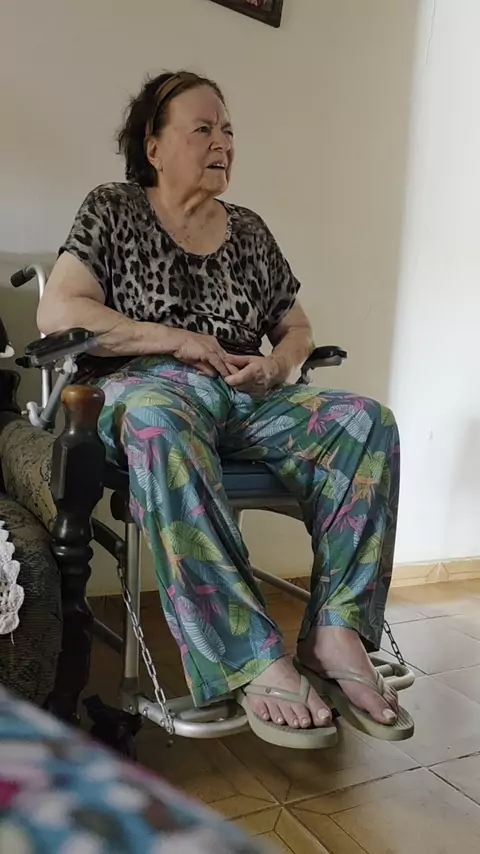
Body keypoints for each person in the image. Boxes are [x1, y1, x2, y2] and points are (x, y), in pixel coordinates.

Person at [37, 70, 413, 749]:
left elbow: (296, 327)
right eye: (204, 128)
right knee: (162, 419)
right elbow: (59, 311)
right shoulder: (113, 209)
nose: (223, 143)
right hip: (146, 387)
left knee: (367, 422)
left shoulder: (248, 230)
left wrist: (279, 365)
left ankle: (336, 634)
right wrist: (174, 339)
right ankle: (248, 655)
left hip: (245, 393)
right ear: (154, 146)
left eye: (229, 129)